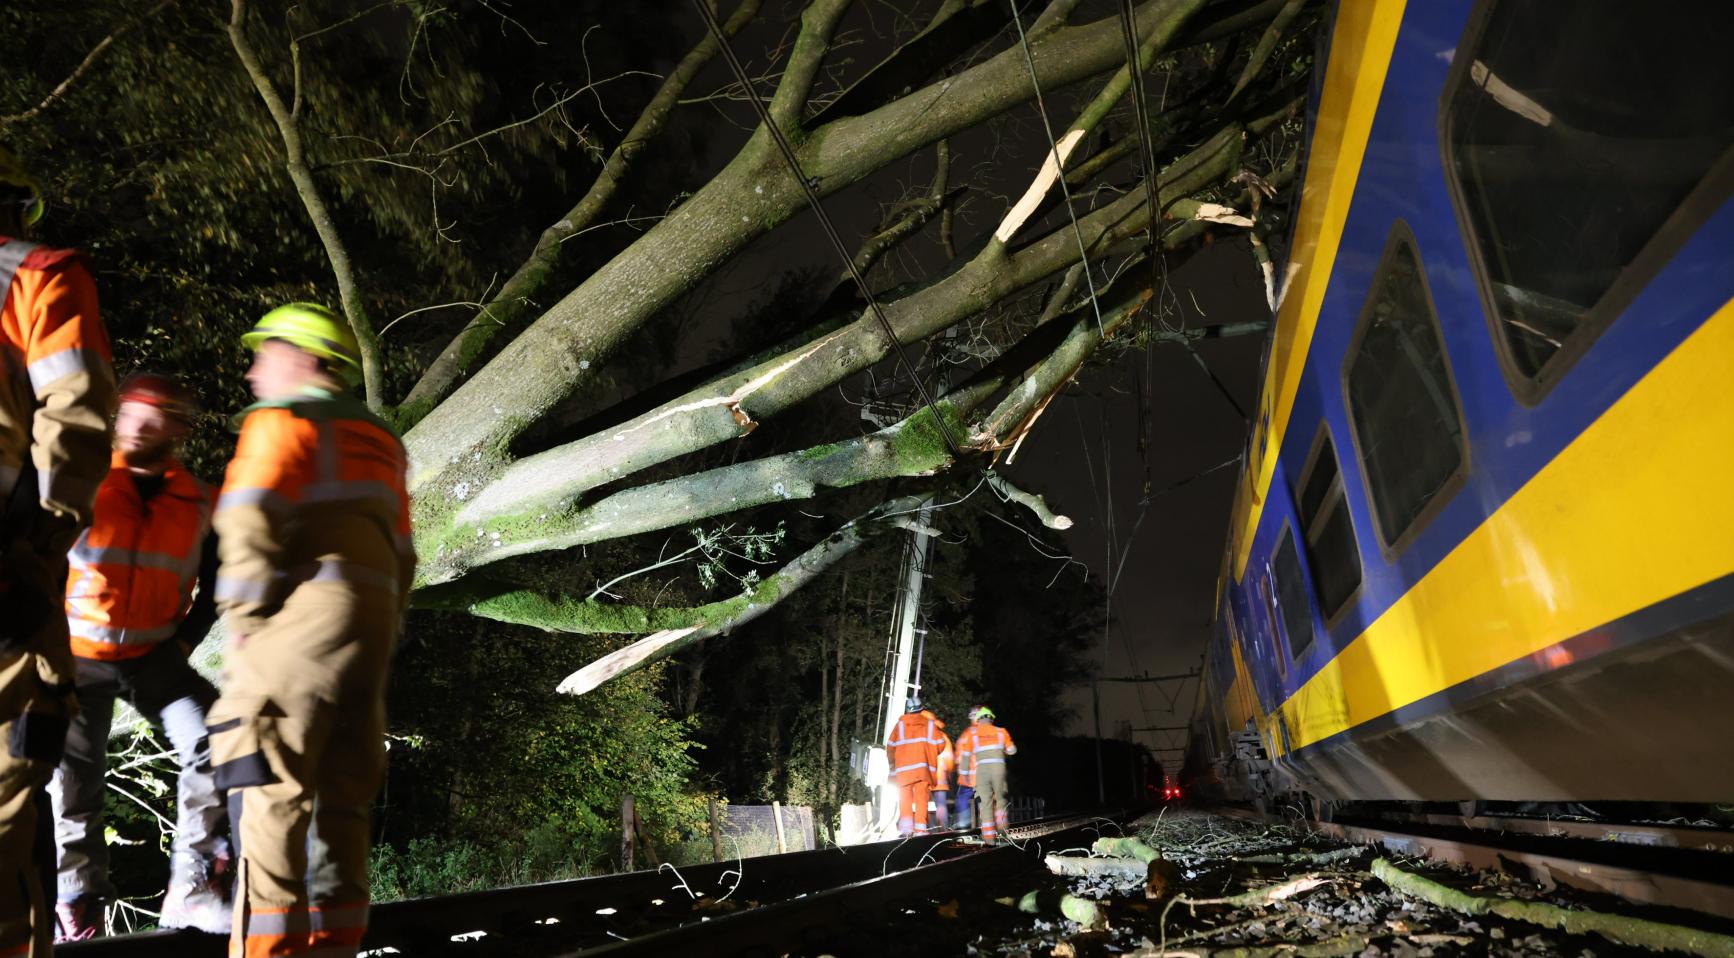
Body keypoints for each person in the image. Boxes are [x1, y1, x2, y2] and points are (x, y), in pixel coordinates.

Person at [204, 303, 414, 958]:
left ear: (307, 358)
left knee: (269, 791)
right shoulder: (383, 443)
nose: (251, 371)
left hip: (297, 623)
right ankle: (334, 949)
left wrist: (243, 621)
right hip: (370, 629)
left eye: (264, 353)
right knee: (343, 801)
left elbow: (249, 523)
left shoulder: (281, 421)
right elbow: (404, 553)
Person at [48, 373, 229, 940]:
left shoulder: (200, 499)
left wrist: (185, 639)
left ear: (179, 428)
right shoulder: (84, 483)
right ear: (117, 419)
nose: (141, 425)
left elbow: (222, 575)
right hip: (78, 651)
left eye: (157, 416)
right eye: (132, 414)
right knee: (75, 779)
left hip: (154, 656)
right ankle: (77, 909)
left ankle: (193, 886)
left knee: (217, 736)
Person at [0, 143, 116, 958]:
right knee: (9, 803)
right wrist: (45, 539)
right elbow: (75, 417)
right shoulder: (36, 277)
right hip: (7, 576)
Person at [955, 705, 1016, 843]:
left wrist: (964, 773)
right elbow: (1012, 750)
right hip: (998, 771)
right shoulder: (1001, 732)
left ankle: (988, 838)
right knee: (999, 800)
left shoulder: (971, 734)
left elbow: (964, 755)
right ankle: (1003, 830)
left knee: (985, 803)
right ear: (991, 718)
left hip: (980, 774)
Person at [885, 696, 944, 837]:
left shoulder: (900, 725)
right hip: (923, 770)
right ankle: (921, 830)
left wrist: (892, 763)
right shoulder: (929, 725)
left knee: (904, 797)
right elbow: (941, 744)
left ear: (908, 710)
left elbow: (891, 746)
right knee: (921, 797)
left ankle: (906, 829)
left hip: (904, 770)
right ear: (921, 709)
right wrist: (930, 753)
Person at [927, 707, 953, 830]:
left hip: (925, 778)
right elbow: (949, 758)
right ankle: (944, 829)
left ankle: (931, 830)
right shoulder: (944, 737)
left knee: (927, 805)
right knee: (941, 805)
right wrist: (949, 772)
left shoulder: (922, 737)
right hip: (941, 778)